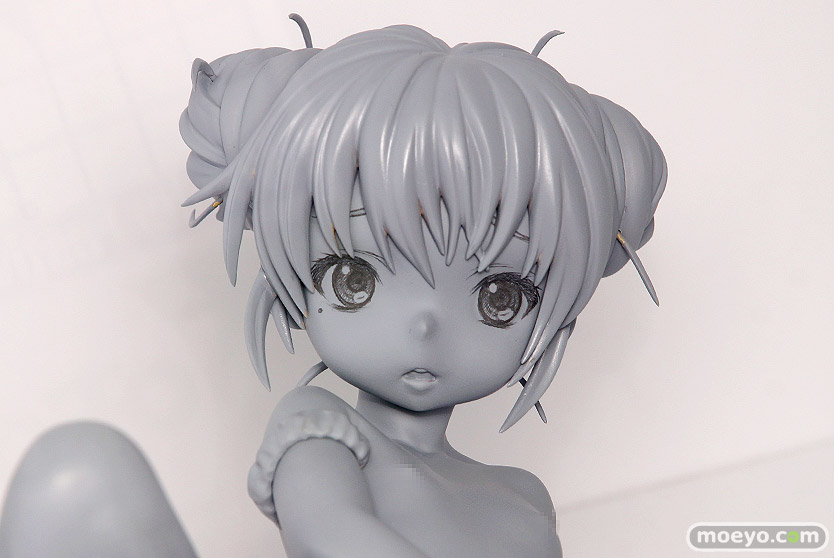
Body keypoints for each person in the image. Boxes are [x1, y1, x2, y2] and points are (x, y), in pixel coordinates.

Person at [183, 18, 667, 558]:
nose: (424, 326)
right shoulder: (319, 426)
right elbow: (329, 536)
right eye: (354, 280)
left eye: (500, 297)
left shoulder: (524, 494)